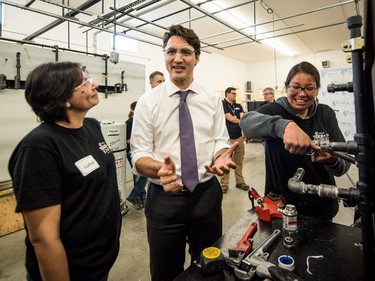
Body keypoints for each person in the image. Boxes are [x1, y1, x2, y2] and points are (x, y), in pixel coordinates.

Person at [131, 24, 238, 281]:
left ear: (196, 58)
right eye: (171, 52)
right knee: (166, 271)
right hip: (164, 200)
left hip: (206, 195)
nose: (177, 58)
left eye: (186, 52)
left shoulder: (211, 99)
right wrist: (159, 169)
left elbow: (219, 140)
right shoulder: (148, 102)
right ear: (165, 56)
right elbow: (138, 155)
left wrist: (221, 155)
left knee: (209, 266)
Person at [8, 62, 122, 281]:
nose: (94, 85)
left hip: (98, 261)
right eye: (84, 82)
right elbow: (44, 238)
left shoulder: (92, 126)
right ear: (63, 98)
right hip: (72, 268)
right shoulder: (40, 147)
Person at [240, 61, 351, 220]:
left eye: (309, 88)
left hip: (321, 204)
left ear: (317, 90)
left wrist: (332, 159)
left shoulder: (325, 113)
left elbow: (343, 167)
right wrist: (284, 126)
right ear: (286, 88)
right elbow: (246, 124)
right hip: (281, 205)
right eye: (296, 87)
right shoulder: (274, 110)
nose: (302, 93)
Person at [220, 87, 250, 193]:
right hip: (227, 138)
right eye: (233, 93)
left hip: (238, 137)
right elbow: (230, 118)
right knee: (226, 162)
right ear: (227, 94)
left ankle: (240, 182)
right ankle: (224, 184)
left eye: (235, 93)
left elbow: (243, 117)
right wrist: (240, 120)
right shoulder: (222, 105)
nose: (235, 95)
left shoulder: (238, 106)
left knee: (239, 161)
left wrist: (241, 121)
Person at [125, 101, 147, 209]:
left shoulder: (141, 121)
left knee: (141, 175)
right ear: (133, 109)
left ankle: (141, 196)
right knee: (140, 174)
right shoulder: (129, 122)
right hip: (132, 152)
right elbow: (127, 139)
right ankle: (135, 195)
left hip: (142, 150)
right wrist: (140, 140)